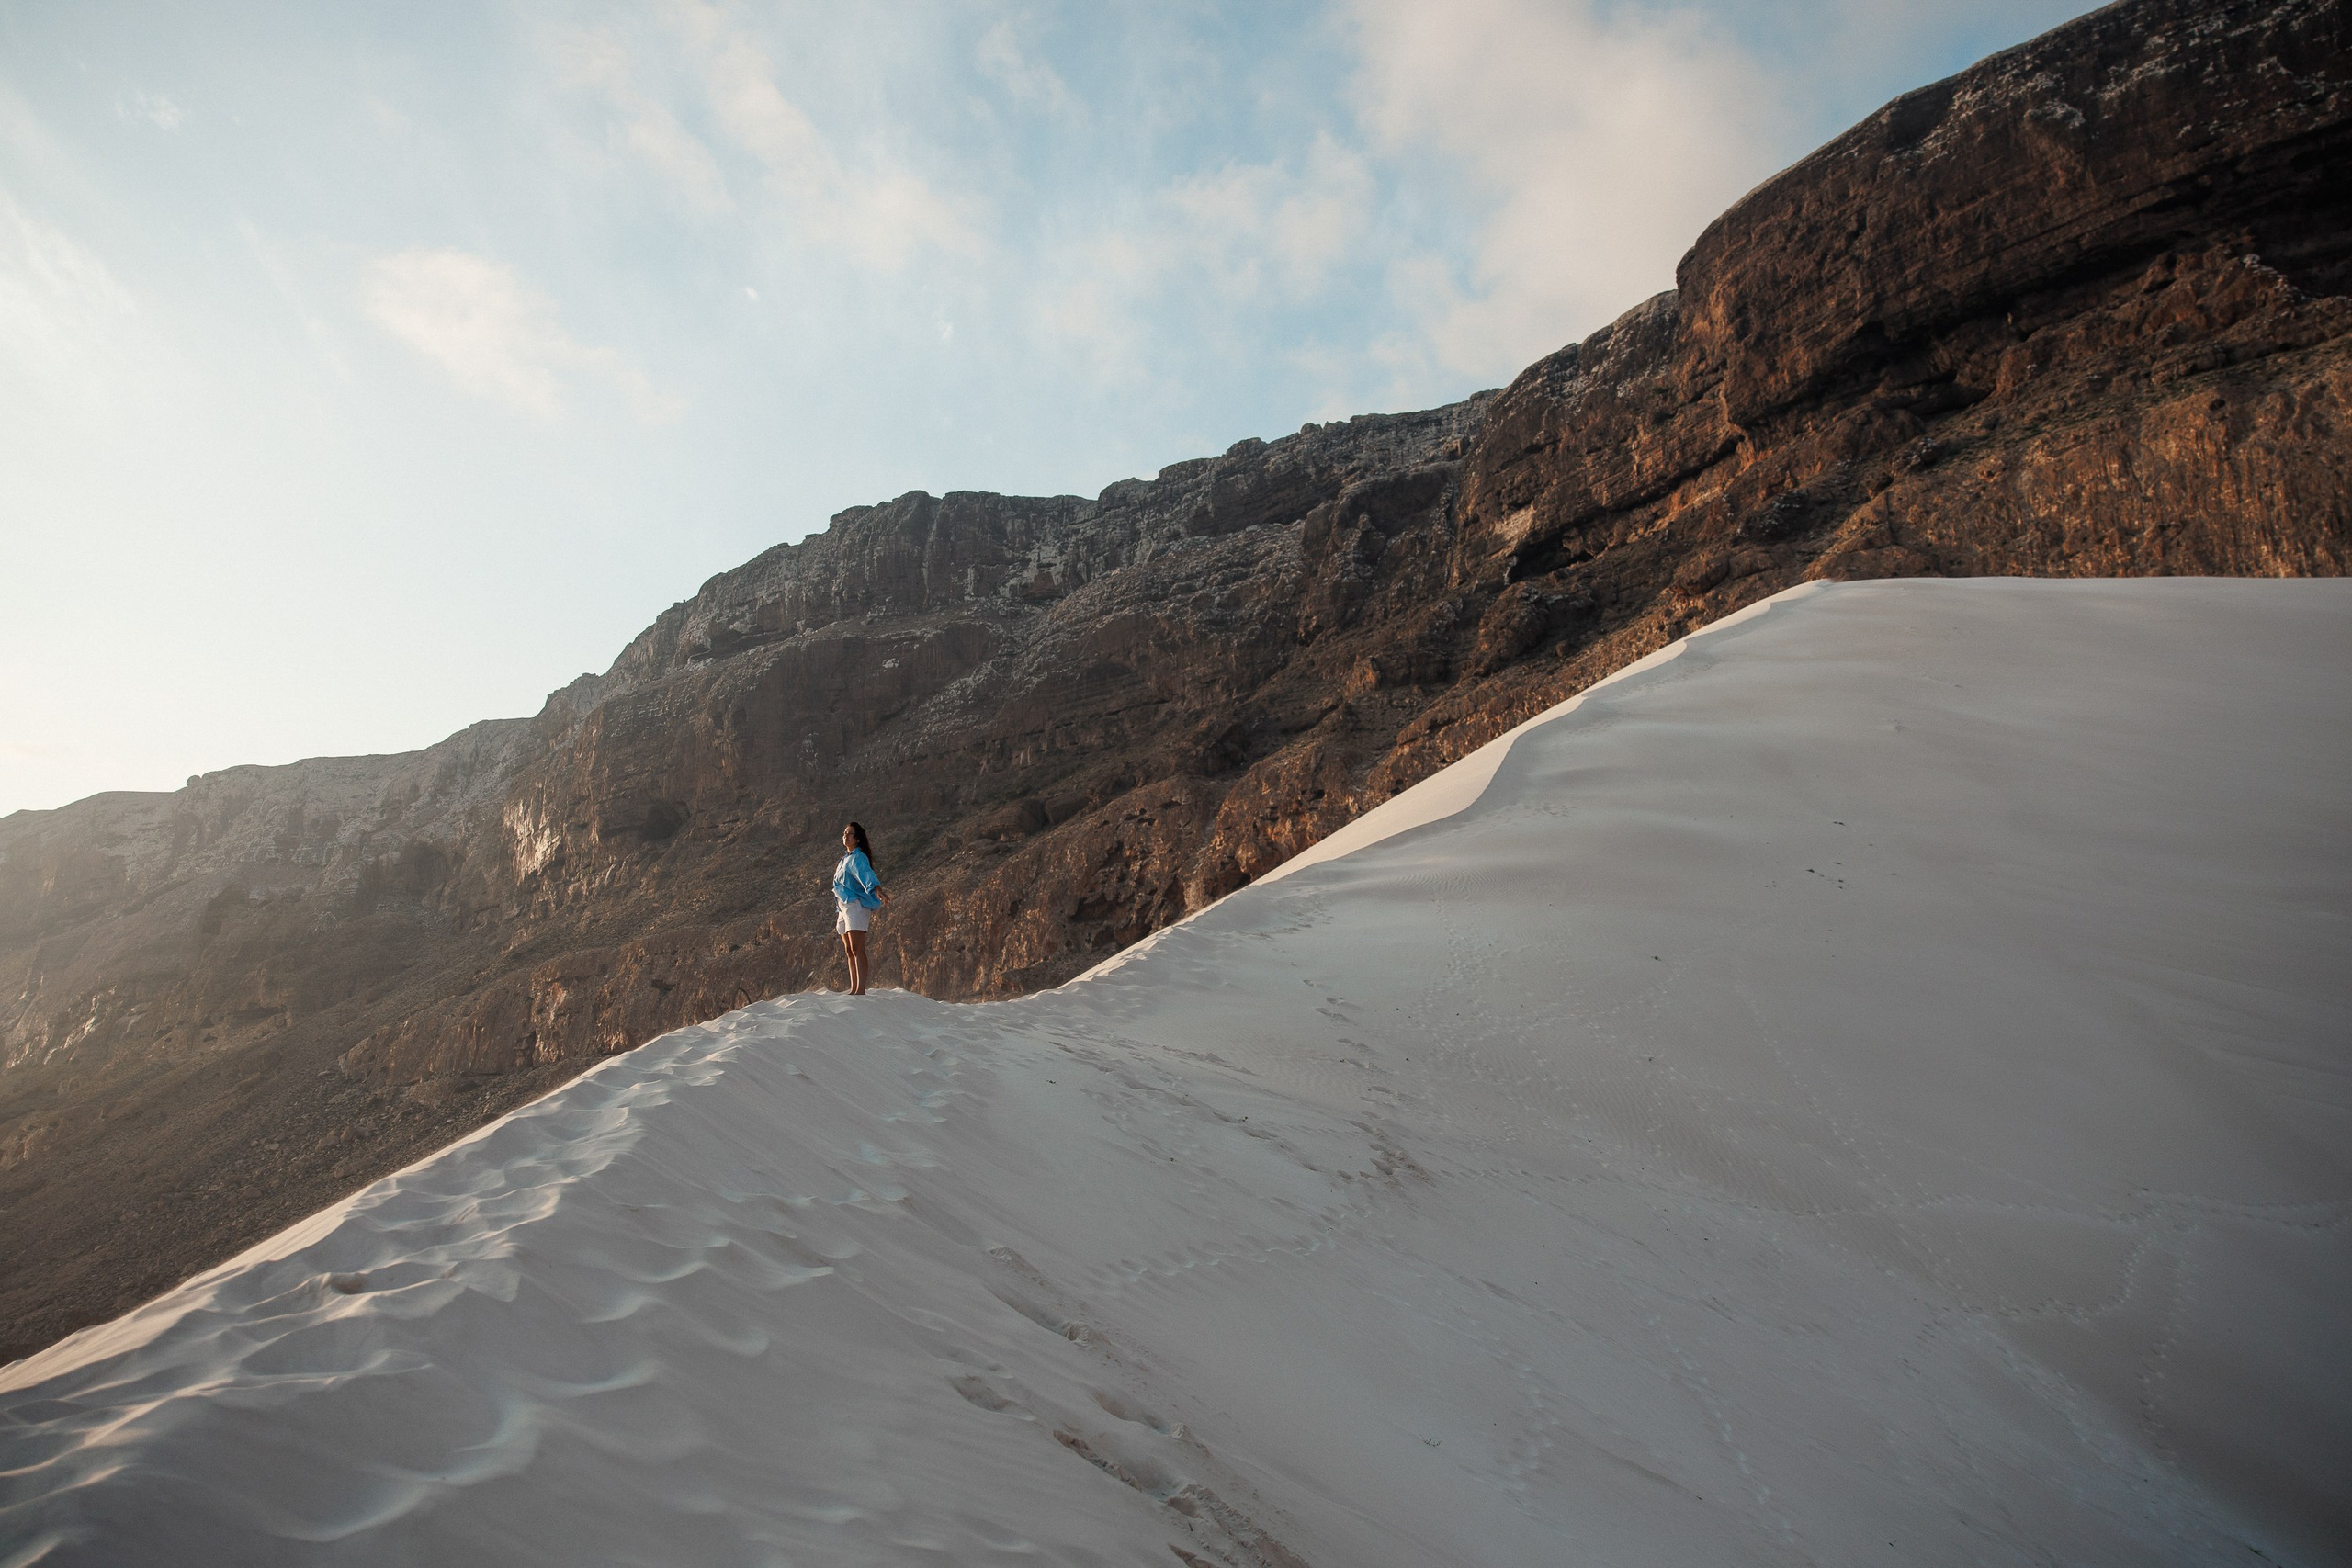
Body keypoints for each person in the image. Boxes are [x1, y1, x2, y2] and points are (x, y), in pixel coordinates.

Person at [831, 821, 889, 995]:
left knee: (857, 948)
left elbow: (867, 875)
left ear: (857, 838)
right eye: (844, 833)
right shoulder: (845, 859)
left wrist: (878, 890)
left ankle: (860, 989)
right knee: (849, 950)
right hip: (843, 906)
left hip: (855, 905)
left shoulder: (858, 857)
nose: (846, 836)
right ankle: (853, 987)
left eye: (849, 833)